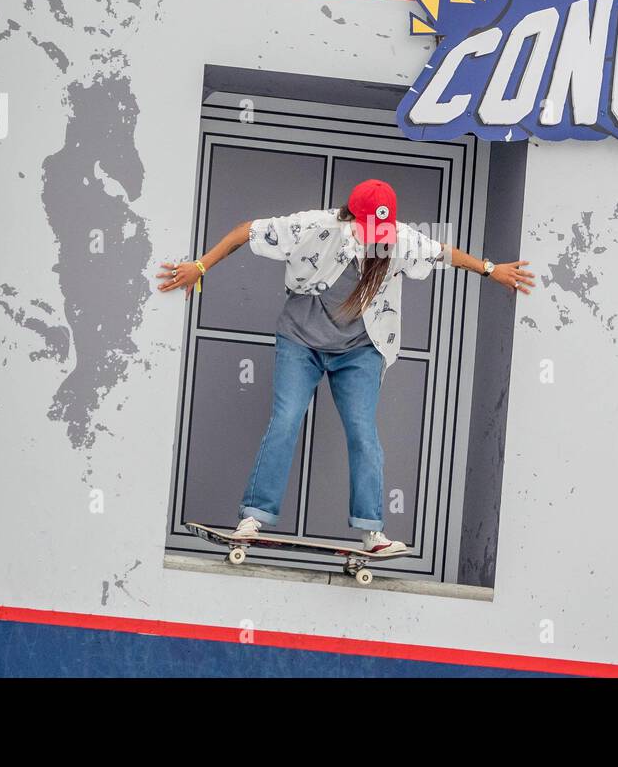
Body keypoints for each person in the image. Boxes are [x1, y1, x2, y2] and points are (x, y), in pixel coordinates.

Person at [156, 179, 534, 553]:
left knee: (362, 431)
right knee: (286, 418)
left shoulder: (399, 238)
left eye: (381, 230)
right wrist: (201, 267)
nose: (375, 238)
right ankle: (253, 517)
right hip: (301, 339)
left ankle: (372, 532)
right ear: (349, 216)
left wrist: (490, 269)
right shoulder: (314, 227)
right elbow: (246, 231)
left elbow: (444, 254)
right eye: (368, 228)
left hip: (359, 349)